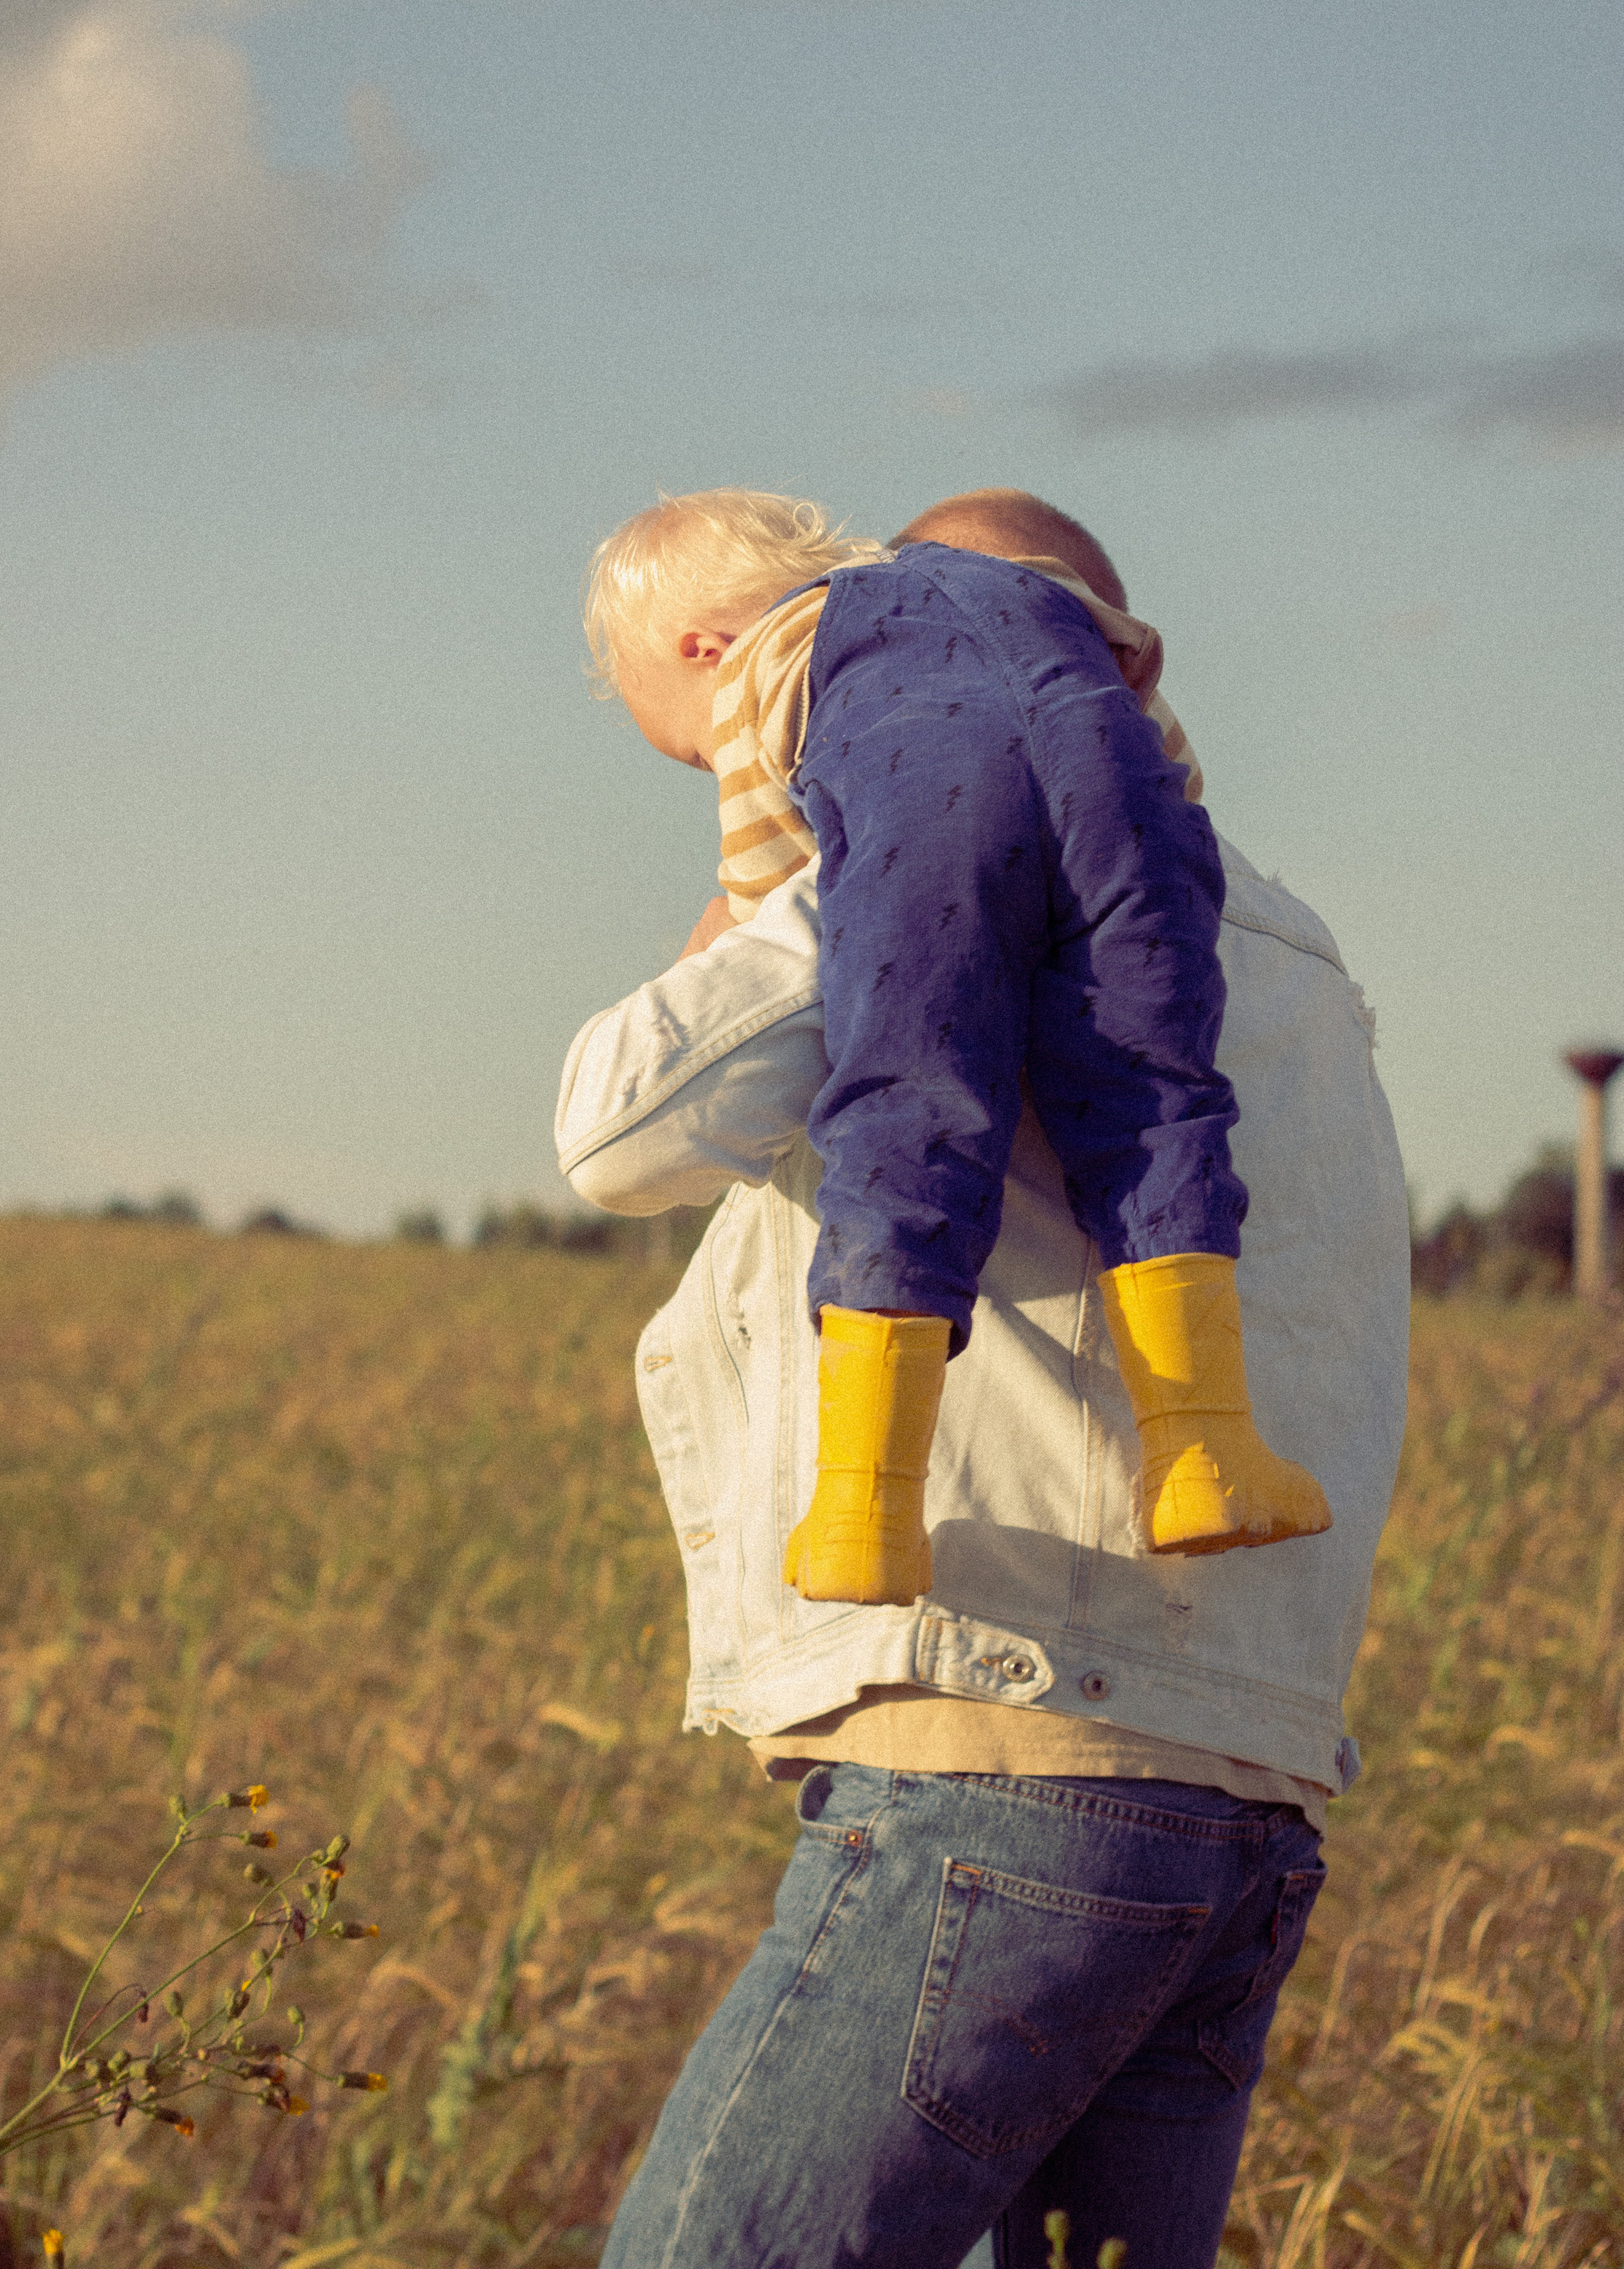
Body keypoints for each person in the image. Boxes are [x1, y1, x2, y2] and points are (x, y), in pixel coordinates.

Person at [555, 491, 1409, 2269]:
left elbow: (617, 1127)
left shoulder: (908, 856)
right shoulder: (1301, 960)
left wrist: (758, 875)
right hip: (1246, 1799)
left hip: (1006, 1753)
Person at [582, 487, 1328, 1592]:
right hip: (1117, 787)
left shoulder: (777, 658)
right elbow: (1165, 769)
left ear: (703, 648)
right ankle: (1204, 1452)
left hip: (931, 813)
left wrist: (733, 913)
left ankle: (863, 1514)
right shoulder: (1053, 607)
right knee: (1153, 1090)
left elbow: (770, 877)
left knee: (911, 1108)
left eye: (683, 747)